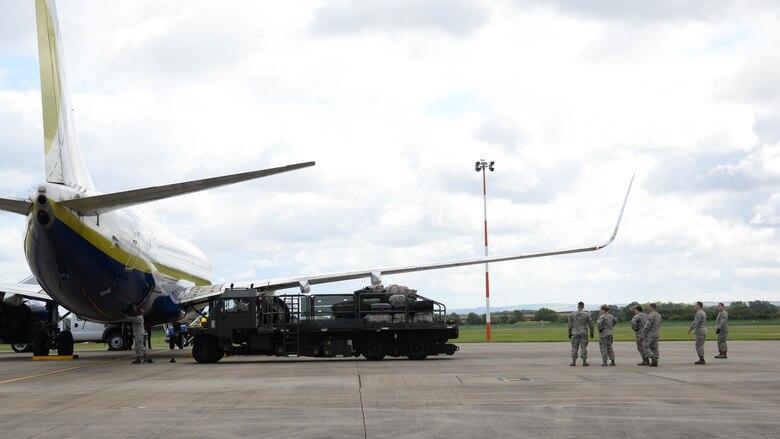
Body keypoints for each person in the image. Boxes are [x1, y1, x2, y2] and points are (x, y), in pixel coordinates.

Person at [567, 302, 594, 367]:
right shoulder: (586, 314)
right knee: (583, 347)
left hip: (575, 333)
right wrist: (591, 332)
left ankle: (573, 361)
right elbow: (591, 324)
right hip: (583, 333)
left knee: (574, 347)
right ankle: (584, 361)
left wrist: (569, 333)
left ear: (578, 306)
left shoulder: (572, 314)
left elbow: (569, 325)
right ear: (583, 306)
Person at [642, 303, 661, 367]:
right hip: (656, 332)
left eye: (649, 307)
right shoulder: (658, 315)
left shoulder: (651, 315)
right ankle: (655, 360)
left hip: (650, 333)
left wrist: (643, 333)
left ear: (652, 307)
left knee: (645, 346)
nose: (648, 308)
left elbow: (647, 325)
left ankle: (653, 358)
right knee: (655, 347)